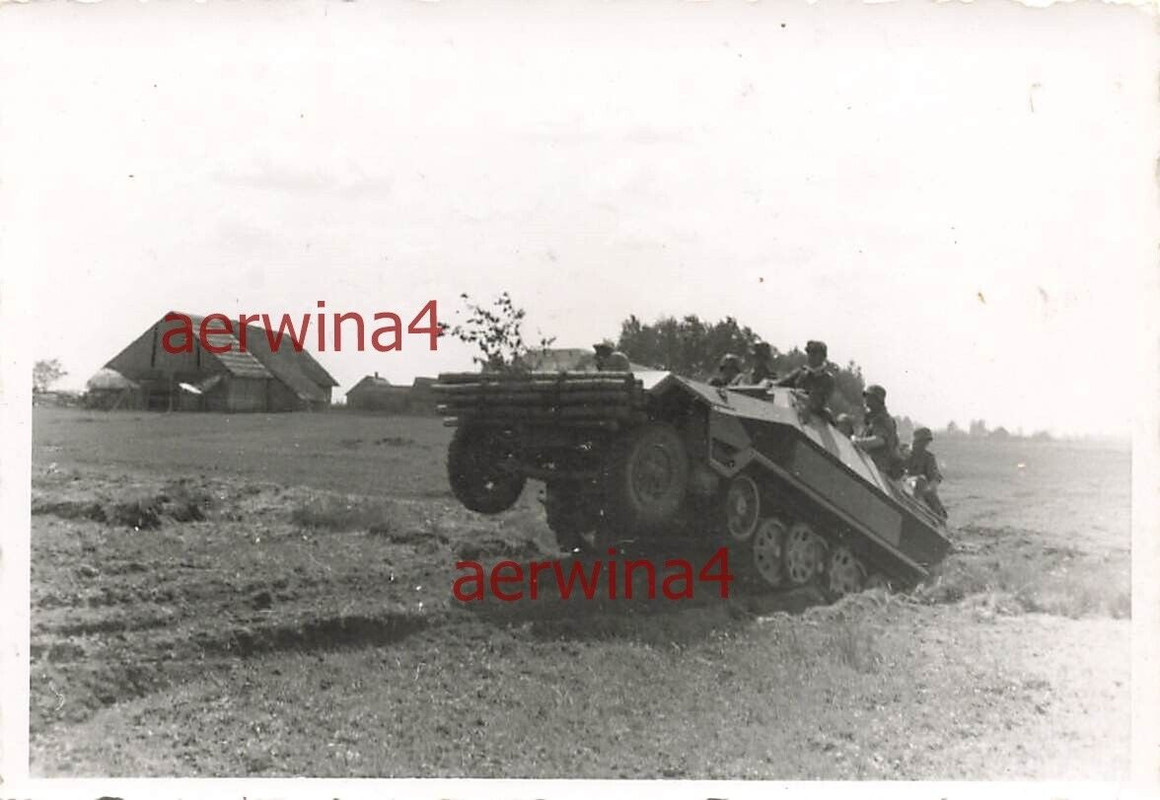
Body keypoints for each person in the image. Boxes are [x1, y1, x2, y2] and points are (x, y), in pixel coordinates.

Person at [775, 340, 836, 418]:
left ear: (823, 356)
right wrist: (769, 384)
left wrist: (796, 393)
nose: (810, 356)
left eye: (814, 353)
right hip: (792, 412)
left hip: (813, 418)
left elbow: (817, 402)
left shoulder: (827, 379)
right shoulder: (801, 373)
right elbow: (780, 384)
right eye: (809, 353)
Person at [852, 384, 903, 477]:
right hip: (870, 466)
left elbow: (879, 440)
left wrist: (857, 442)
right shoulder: (872, 417)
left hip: (878, 469)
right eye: (866, 396)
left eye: (870, 397)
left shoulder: (882, 418)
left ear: (878, 400)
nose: (866, 399)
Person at [905, 427, 948, 519]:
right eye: (922, 441)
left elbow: (934, 477)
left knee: (931, 498)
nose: (924, 444)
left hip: (919, 487)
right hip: (903, 483)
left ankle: (939, 517)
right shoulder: (904, 452)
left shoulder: (928, 457)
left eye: (926, 442)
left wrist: (929, 489)